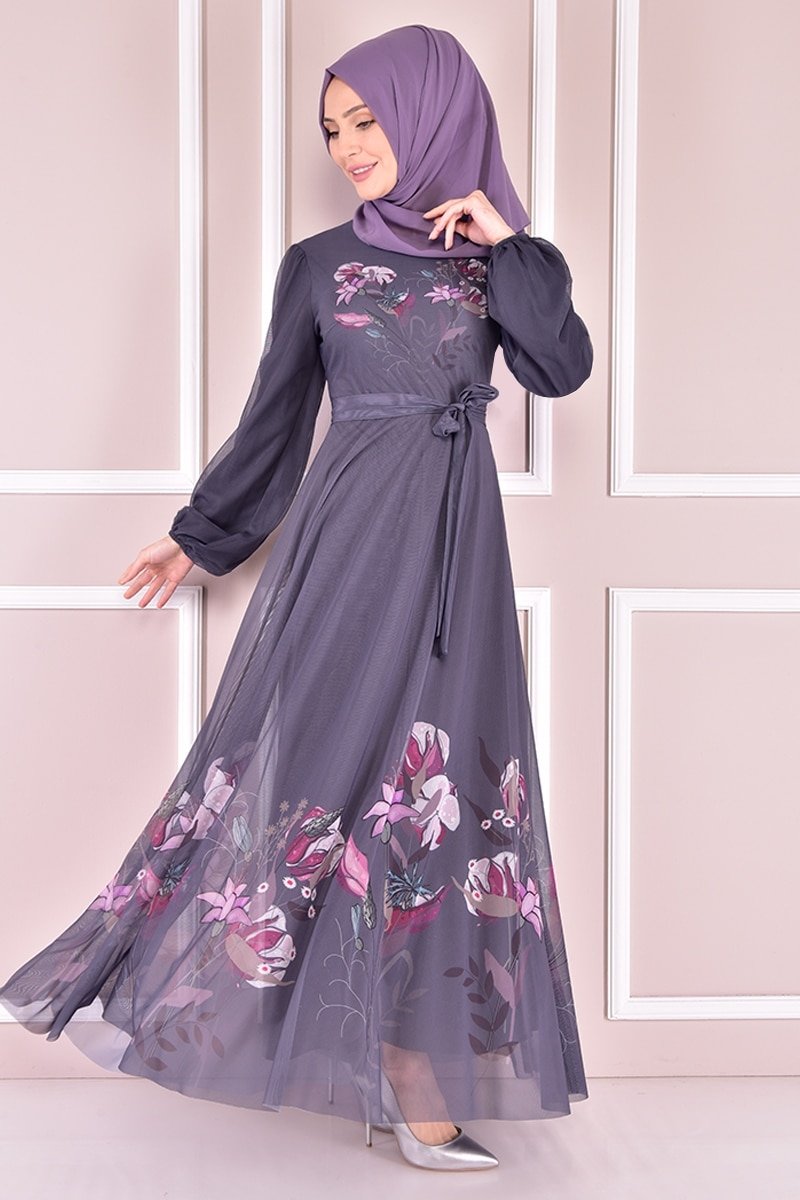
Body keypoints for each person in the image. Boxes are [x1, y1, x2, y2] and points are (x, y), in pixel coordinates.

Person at [0, 24, 592, 1172]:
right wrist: (200, 536)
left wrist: (506, 240)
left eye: (366, 120)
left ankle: (408, 1067)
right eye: (331, 129)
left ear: (431, 112)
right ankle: (326, 1046)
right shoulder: (319, 263)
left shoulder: (500, 262)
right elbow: (274, 416)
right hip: (347, 547)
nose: (347, 147)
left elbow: (557, 369)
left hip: (456, 557)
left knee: (439, 804)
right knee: (325, 780)